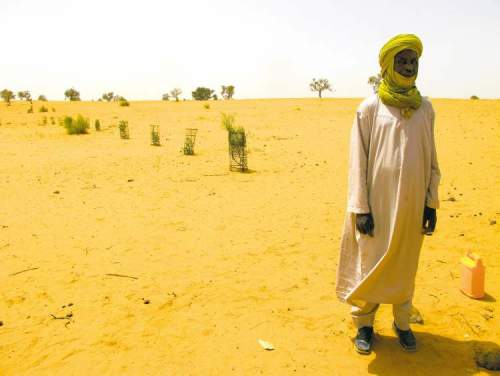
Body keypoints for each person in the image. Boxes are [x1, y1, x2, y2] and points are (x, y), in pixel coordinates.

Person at [335, 34, 440, 355]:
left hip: (411, 209)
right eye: (402, 61)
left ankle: (403, 322)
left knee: (406, 264)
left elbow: (432, 159)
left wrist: (430, 202)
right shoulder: (369, 108)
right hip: (376, 208)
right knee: (371, 263)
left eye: (413, 62)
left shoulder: (425, 108)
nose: (409, 67)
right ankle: (364, 325)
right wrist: (361, 209)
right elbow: (357, 162)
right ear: (387, 66)